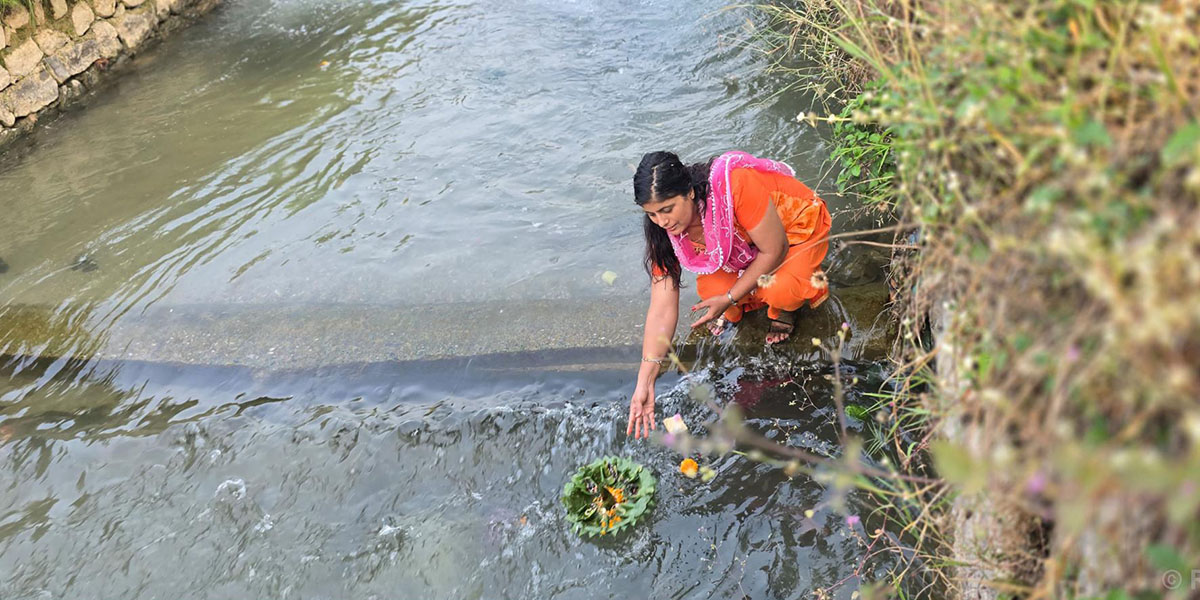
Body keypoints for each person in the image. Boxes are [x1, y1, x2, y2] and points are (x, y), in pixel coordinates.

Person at [626, 150, 832, 439]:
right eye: (651, 214)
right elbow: (661, 306)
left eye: (668, 209)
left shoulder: (736, 184)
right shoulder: (662, 227)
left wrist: (732, 297)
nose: (662, 222)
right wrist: (645, 381)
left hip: (791, 232)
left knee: (782, 290)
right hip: (747, 248)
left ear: (689, 192)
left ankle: (783, 307)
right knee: (711, 290)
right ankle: (745, 299)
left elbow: (775, 249)